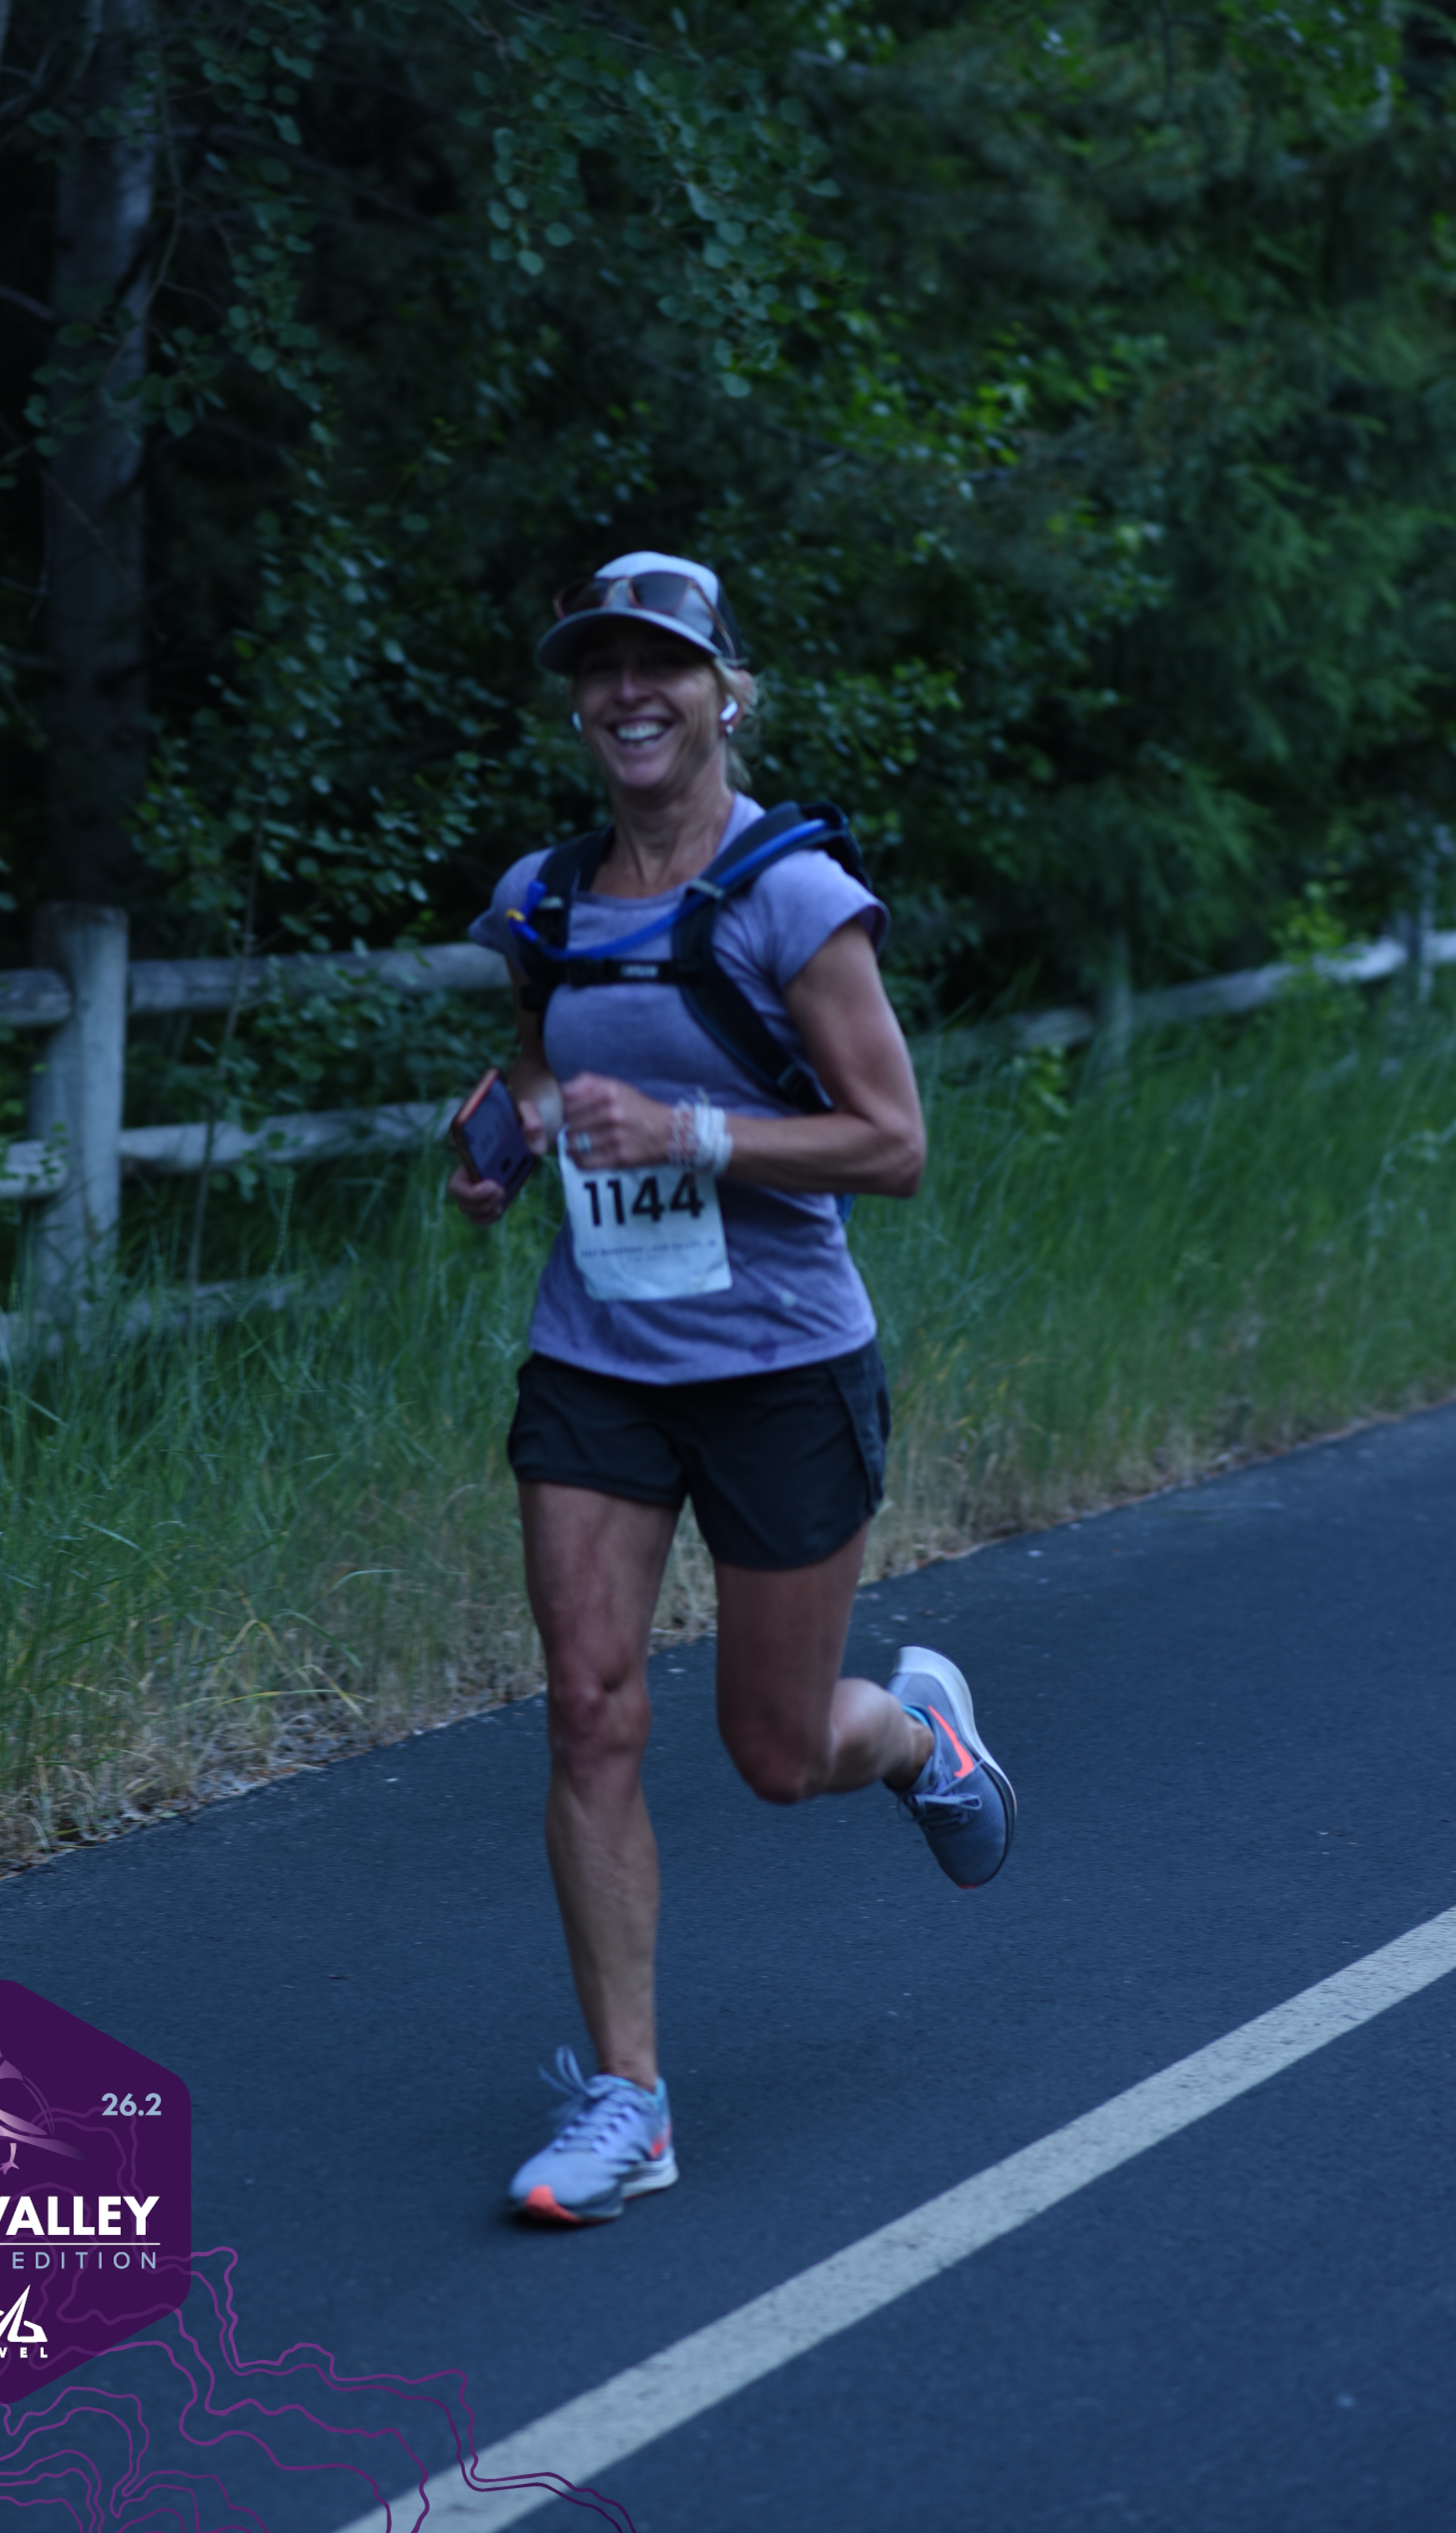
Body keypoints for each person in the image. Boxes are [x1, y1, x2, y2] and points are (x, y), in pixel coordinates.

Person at [448, 551, 1015, 2228]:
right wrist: (507, 1138)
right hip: (599, 1359)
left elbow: (894, 1144)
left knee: (776, 1750)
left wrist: (690, 1133)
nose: (631, 693)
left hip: (780, 1369)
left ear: (724, 693)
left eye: (665, 666)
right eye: (602, 667)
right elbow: (546, 1057)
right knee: (588, 1707)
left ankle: (917, 1738)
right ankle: (629, 2102)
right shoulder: (545, 898)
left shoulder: (796, 898)